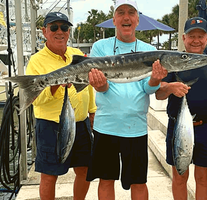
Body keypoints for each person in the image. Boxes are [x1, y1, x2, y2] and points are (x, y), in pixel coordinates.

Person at [86, 0, 168, 199]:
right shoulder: (100, 47)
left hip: (136, 127)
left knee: (138, 181)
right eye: (121, 12)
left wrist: (156, 78)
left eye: (131, 12)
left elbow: (146, 88)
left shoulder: (149, 50)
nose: (126, 17)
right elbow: (105, 88)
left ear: (137, 20)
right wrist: (99, 84)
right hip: (106, 126)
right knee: (106, 179)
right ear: (114, 19)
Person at [26, 12, 97, 200]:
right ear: (44, 31)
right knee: (49, 175)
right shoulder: (36, 61)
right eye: (54, 27)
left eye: (64, 28)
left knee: (85, 169)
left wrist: (92, 111)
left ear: (69, 31)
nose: (60, 32)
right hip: (51, 126)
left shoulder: (77, 55)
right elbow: (35, 99)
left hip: (80, 123)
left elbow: (87, 86)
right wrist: (56, 83)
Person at [155, 17, 207, 200]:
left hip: (206, 128)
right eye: (191, 36)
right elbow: (158, 94)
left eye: (200, 36)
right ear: (183, 38)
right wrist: (169, 87)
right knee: (179, 176)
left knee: (203, 178)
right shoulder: (171, 64)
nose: (196, 40)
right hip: (178, 127)